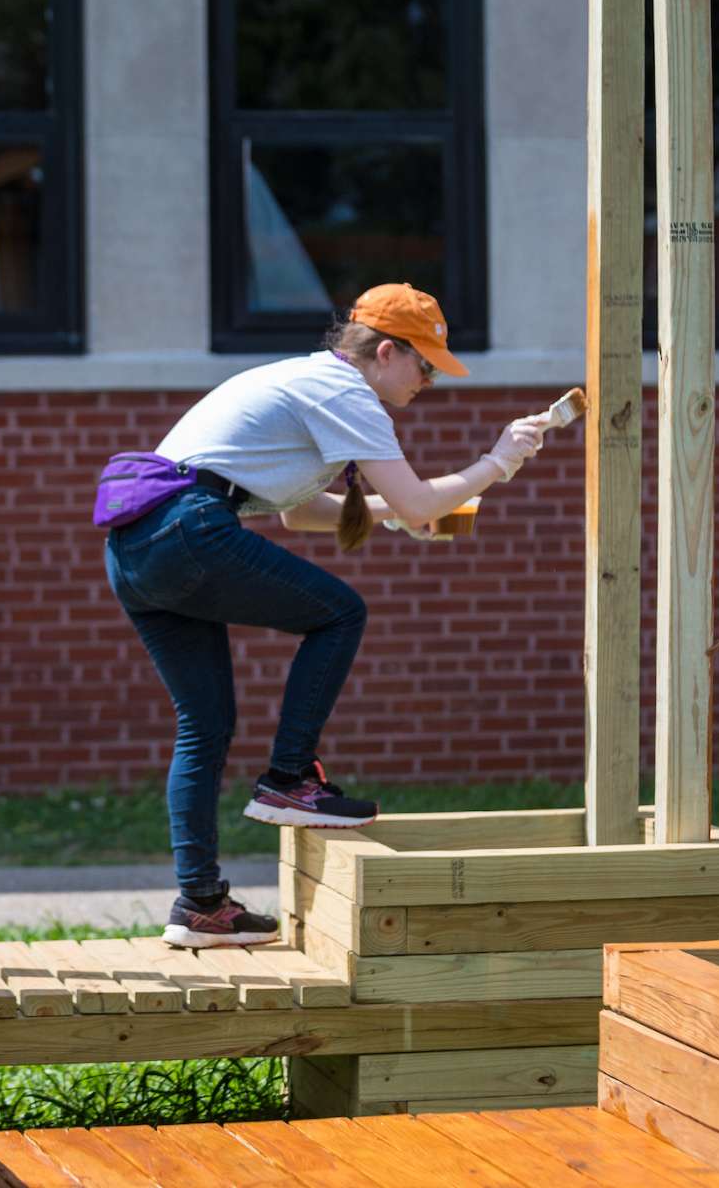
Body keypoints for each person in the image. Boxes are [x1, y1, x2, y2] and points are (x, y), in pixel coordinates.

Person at [104, 284, 552, 948]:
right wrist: (498, 461)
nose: (428, 380)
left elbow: (300, 513)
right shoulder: (345, 393)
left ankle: (199, 906)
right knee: (341, 613)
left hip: (138, 543)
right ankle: (290, 779)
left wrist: (400, 518)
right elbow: (420, 500)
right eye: (424, 364)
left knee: (205, 724)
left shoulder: (307, 381)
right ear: (387, 351)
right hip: (189, 527)